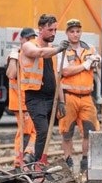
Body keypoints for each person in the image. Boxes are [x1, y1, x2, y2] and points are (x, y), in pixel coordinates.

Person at [20, 14, 67, 163]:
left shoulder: (52, 50)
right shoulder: (29, 45)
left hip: (49, 99)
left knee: (46, 134)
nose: (53, 33)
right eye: (50, 30)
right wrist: (59, 49)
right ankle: (37, 163)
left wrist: (61, 101)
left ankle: (39, 162)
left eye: (55, 30)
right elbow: (39, 53)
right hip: (35, 97)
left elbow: (56, 76)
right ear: (40, 29)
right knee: (42, 131)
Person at [60, 19, 101, 173]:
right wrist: (84, 65)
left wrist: (96, 61)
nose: (75, 34)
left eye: (77, 31)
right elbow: (64, 71)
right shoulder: (63, 50)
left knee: (90, 131)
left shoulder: (89, 48)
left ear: (81, 32)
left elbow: (99, 63)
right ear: (67, 33)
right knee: (67, 131)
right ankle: (68, 160)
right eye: (72, 31)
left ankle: (85, 161)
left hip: (87, 96)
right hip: (69, 96)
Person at [5, 27, 38, 168]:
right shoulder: (16, 56)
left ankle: (25, 157)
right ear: (21, 40)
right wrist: (14, 55)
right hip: (22, 102)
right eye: (28, 39)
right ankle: (21, 160)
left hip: (30, 101)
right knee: (26, 132)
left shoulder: (33, 55)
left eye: (32, 39)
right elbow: (11, 74)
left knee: (33, 130)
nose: (31, 41)